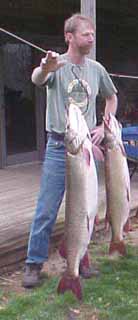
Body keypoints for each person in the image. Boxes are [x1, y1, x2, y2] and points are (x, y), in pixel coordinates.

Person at [22, 13, 118, 288]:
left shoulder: (97, 69)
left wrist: (104, 125)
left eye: (92, 34)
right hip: (58, 147)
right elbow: (37, 79)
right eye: (86, 33)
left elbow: (111, 97)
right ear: (70, 36)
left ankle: (80, 261)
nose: (91, 38)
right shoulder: (56, 65)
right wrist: (45, 67)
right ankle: (33, 264)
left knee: (85, 208)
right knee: (46, 209)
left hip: (86, 148)